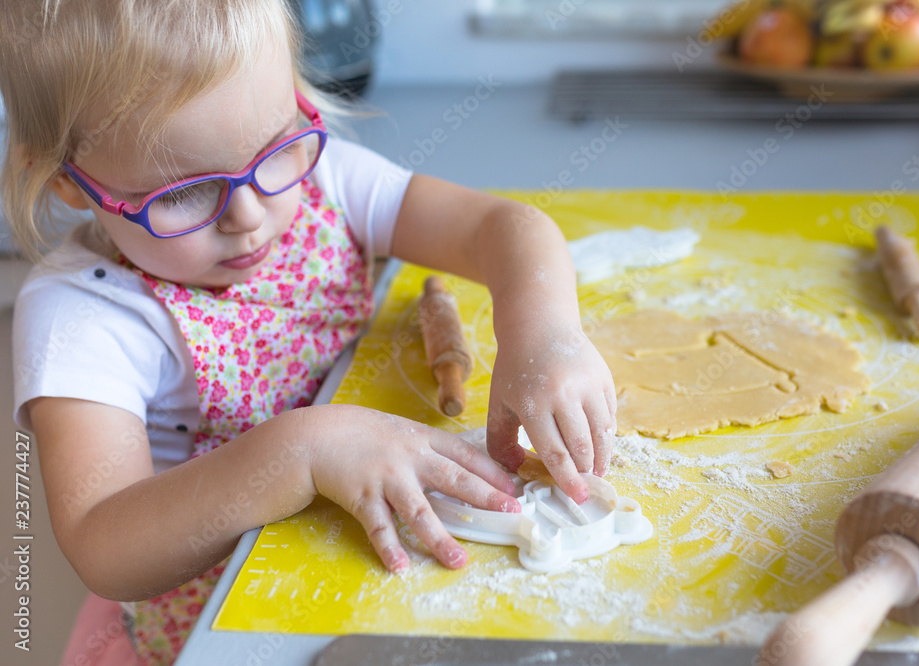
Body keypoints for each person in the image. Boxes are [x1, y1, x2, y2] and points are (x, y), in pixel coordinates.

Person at [0, 0, 616, 663]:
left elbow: (500, 228)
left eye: (275, 144)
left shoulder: (324, 180)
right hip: (219, 639)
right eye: (181, 192)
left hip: (365, 588)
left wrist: (544, 332)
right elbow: (106, 547)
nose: (248, 213)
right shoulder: (85, 317)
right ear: (67, 181)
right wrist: (301, 451)